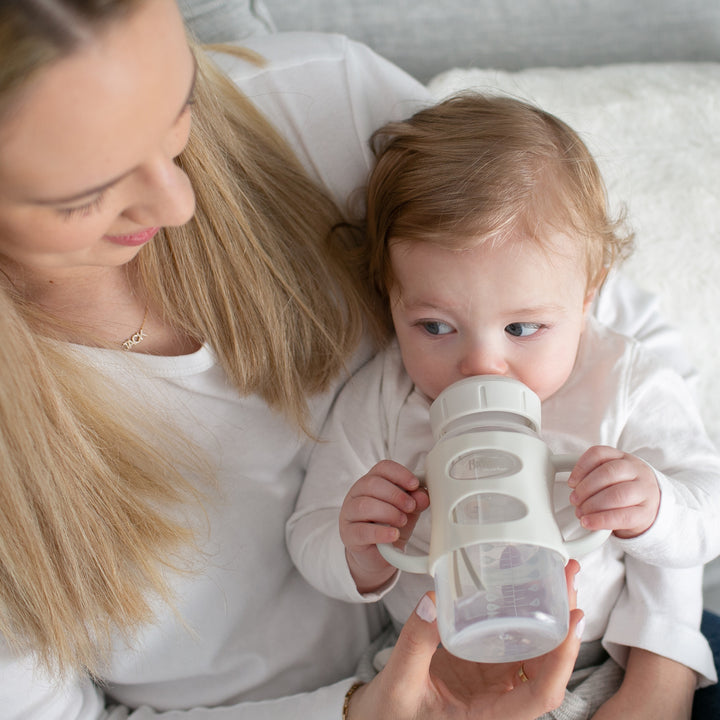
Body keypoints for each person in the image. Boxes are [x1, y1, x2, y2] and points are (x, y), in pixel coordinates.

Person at [0, 1, 594, 718]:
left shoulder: (321, 104)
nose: (180, 202)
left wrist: (661, 674)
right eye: (87, 194)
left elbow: (595, 310)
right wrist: (355, 711)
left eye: (178, 109)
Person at [287, 93, 720, 718]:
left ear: (587, 295)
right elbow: (308, 536)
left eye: (522, 329)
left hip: (603, 664)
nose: (482, 364)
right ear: (390, 300)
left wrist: (657, 507)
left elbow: (707, 505)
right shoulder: (382, 399)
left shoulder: (622, 379)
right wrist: (357, 549)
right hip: (434, 674)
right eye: (435, 327)